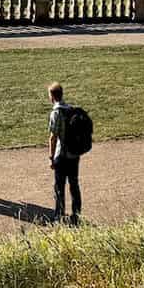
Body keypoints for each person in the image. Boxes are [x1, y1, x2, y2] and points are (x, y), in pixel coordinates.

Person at [48, 83, 81, 223]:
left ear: (51, 96)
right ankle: (76, 215)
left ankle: (59, 216)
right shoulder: (71, 109)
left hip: (61, 155)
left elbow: (53, 137)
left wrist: (51, 158)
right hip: (74, 154)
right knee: (74, 185)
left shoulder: (56, 112)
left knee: (59, 187)